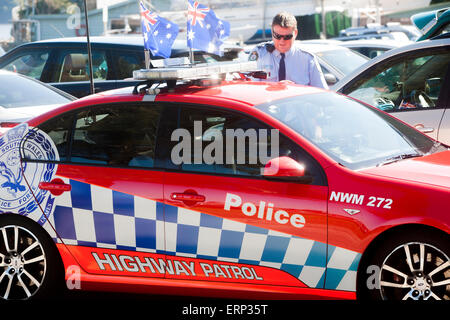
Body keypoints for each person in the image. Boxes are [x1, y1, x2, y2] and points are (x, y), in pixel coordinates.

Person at [249, 12, 328, 89]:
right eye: (277, 36)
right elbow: (249, 89)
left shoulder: (307, 59)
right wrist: (276, 87)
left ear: (295, 33)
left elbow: (321, 92)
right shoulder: (259, 54)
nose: (281, 41)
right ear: (272, 32)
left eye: (287, 37)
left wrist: (294, 89)